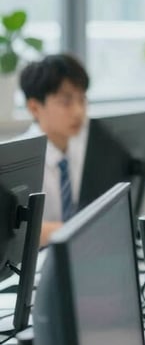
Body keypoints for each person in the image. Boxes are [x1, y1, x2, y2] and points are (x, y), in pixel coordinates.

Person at [19, 53, 90, 245]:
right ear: (34, 108)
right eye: (66, 102)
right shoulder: (18, 160)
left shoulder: (84, 150)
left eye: (82, 99)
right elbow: (16, 231)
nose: (78, 111)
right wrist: (75, 229)